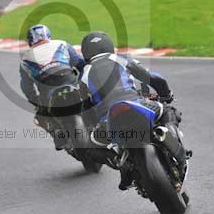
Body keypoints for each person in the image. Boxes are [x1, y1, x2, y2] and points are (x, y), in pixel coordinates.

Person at [79, 31, 190, 190]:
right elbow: (154, 78)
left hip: (108, 120)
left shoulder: (84, 73)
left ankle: (121, 163)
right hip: (137, 104)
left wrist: (93, 125)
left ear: (85, 52)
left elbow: (85, 109)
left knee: (90, 147)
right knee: (167, 111)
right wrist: (166, 94)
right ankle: (179, 153)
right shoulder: (121, 59)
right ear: (108, 45)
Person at [19, 24, 85, 149]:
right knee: (90, 96)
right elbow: (80, 63)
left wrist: (35, 101)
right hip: (69, 81)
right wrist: (82, 81)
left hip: (47, 91)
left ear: (30, 41)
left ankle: (56, 133)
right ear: (48, 35)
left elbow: (26, 86)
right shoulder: (62, 44)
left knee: (40, 115)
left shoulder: (25, 58)